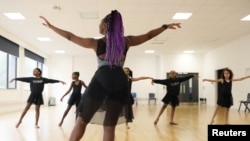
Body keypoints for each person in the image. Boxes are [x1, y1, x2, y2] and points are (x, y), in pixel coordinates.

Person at [40, 10, 181, 141]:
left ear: (105, 25)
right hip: (120, 82)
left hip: (102, 79)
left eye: (100, 23)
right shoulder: (127, 42)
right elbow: (149, 35)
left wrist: (52, 27)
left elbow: (71, 37)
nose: (99, 25)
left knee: (82, 120)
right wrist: (165, 27)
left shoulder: (96, 43)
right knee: (109, 126)